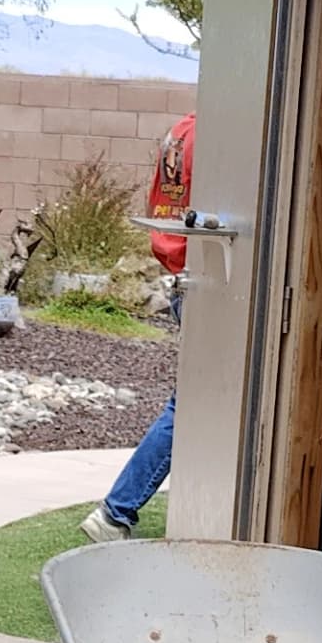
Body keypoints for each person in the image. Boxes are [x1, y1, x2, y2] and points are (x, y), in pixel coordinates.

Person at [80, 120, 197, 543]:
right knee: (192, 406)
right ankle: (117, 511)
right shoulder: (217, 131)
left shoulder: (181, 130)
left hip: (182, 272)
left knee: (197, 405)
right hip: (205, 275)